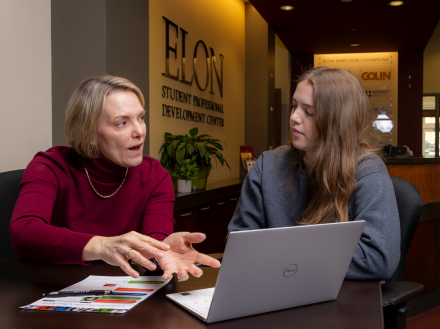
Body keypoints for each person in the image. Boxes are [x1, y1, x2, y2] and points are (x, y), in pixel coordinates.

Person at [10, 75, 220, 281]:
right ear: (89, 135)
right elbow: (24, 233)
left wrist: (162, 250)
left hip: (119, 293)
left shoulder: (155, 175)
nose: (140, 131)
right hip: (46, 289)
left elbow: (151, 250)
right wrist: (102, 246)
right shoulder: (50, 166)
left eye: (141, 117)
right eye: (122, 123)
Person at [228, 67, 400, 281]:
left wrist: (281, 253)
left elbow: (378, 259)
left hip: (339, 298)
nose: (294, 117)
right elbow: (240, 243)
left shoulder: (368, 171)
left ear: (337, 122)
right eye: (294, 106)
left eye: (308, 112)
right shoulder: (267, 165)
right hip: (274, 289)